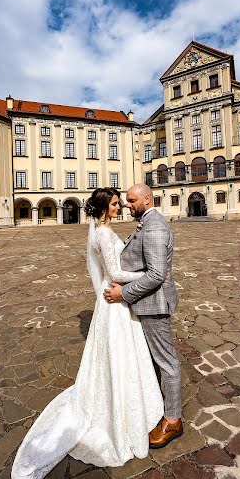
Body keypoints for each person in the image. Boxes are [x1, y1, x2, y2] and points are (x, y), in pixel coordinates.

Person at [11, 187, 164, 479]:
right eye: (116, 204)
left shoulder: (99, 232)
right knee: (121, 355)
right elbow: (116, 274)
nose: (119, 208)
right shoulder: (104, 235)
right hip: (116, 301)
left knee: (115, 356)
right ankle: (123, 417)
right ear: (104, 208)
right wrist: (149, 274)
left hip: (111, 302)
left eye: (121, 203)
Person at [104, 183, 182, 449]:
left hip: (154, 304)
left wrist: (123, 294)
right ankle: (156, 406)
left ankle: (173, 420)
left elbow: (157, 274)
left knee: (166, 362)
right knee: (153, 359)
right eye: (126, 200)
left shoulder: (155, 226)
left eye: (132, 200)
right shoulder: (146, 223)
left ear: (147, 199)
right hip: (147, 303)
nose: (128, 204)